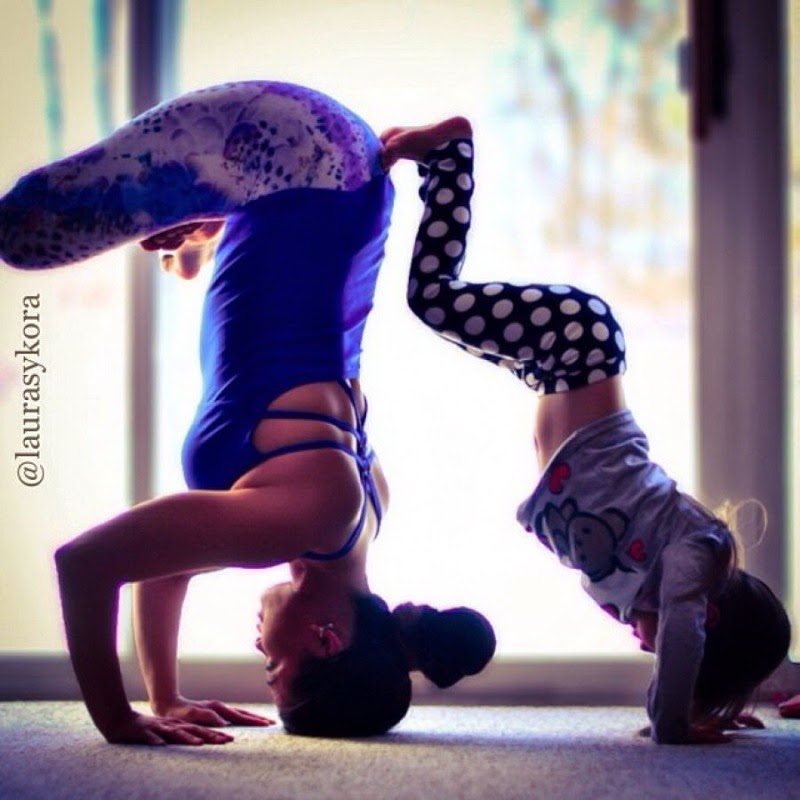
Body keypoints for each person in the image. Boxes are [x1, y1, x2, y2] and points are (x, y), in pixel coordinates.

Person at [0, 82, 495, 746]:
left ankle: (211, 226)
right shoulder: (306, 519)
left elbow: (163, 566)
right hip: (298, 158)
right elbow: (85, 564)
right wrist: (116, 721)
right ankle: (443, 154)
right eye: (273, 664)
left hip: (331, 182)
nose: (258, 646)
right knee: (23, 232)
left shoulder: (357, 519)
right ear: (327, 638)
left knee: (116, 236)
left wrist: (167, 698)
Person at [380, 117, 791, 745]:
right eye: (668, 654)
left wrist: (706, 702)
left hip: (554, 366)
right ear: (706, 620)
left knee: (438, 303)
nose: (650, 648)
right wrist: (674, 723)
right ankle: (450, 156)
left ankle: (447, 162)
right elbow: (682, 630)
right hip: (577, 341)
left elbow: (684, 638)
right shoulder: (695, 559)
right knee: (433, 298)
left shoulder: (658, 579)